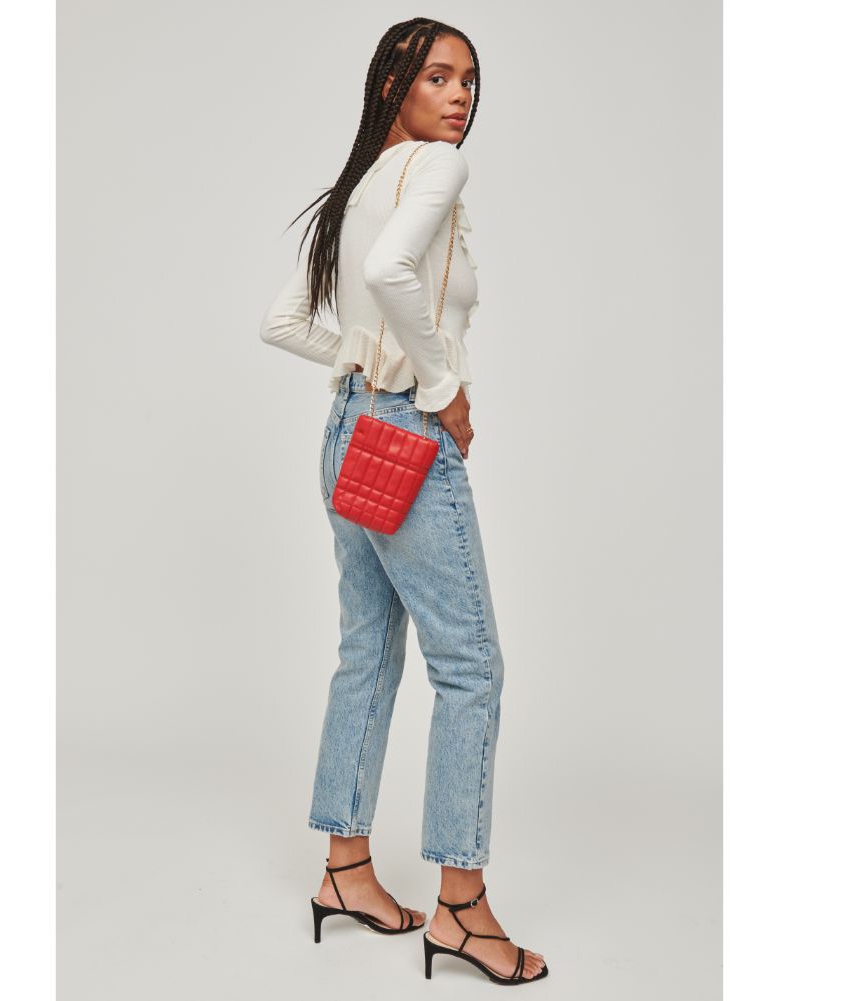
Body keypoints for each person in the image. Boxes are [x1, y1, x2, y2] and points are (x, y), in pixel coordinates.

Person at [259, 19, 547, 986]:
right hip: (404, 435)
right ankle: (461, 908)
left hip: (348, 427)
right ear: (392, 83)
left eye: (469, 80)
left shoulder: (356, 187)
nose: (459, 95)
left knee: (368, 650)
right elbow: (388, 275)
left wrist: (359, 362)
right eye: (438, 76)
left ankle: (345, 869)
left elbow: (286, 321)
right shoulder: (434, 169)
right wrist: (440, 387)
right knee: (470, 667)